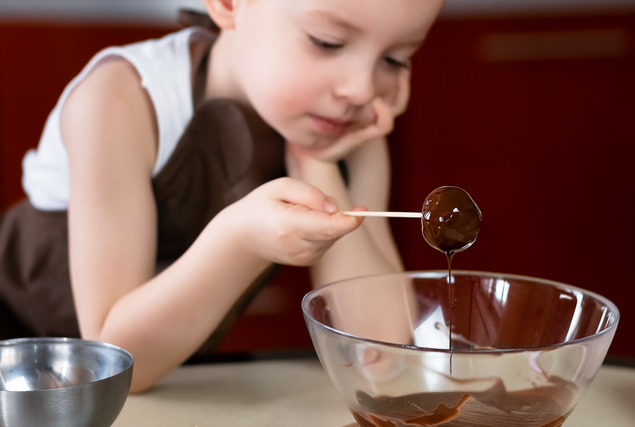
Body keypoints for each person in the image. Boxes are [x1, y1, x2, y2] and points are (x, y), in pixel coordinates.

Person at [0, 0, 445, 392]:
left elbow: (381, 356)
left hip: (163, 387)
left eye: (395, 59)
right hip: (22, 374)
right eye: (327, 42)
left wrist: (317, 163)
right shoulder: (118, 101)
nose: (361, 89)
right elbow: (115, 365)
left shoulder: (353, 128)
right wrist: (239, 241)